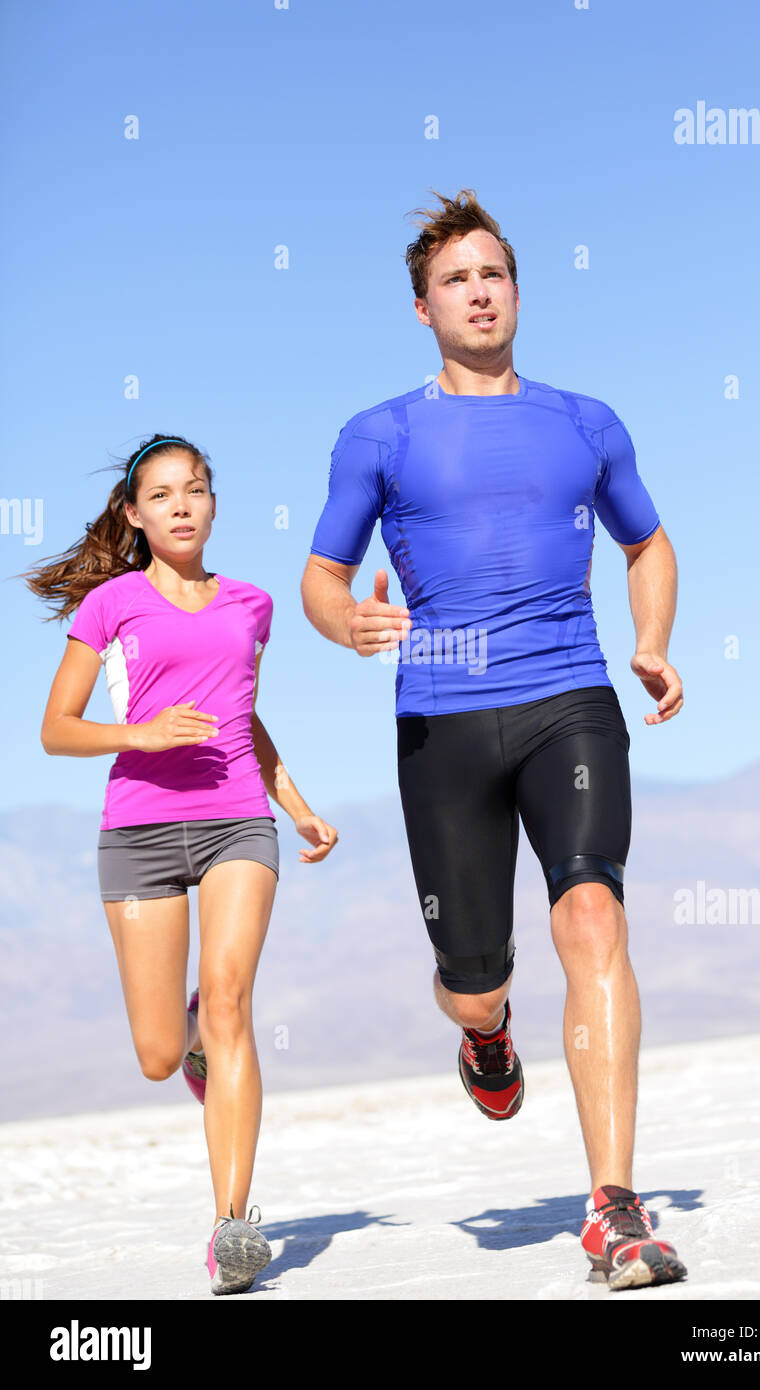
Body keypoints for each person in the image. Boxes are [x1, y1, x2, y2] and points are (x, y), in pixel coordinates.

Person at [300, 189, 686, 1291]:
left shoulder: (584, 422)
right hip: (441, 720)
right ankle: (482, 1030)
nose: (478, 291)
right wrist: (351, 622)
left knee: (591, 911)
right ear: (421, 309)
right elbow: (320, 581)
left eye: (493, 272)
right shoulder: (380, 432)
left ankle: (612, 1205)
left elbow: (647, 542)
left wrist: (649, 640)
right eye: (454, 279)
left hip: (569, 696)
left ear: (516, 290)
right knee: (473, 977)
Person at [24, 434, 337, 1295]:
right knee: (161, 1055)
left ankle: (231, 1225)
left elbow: (246, 720)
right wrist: (142, 733)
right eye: (161, 495)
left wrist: (297, 805)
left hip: (238, 820)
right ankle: (193, 1031)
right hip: (140, 831)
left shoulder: (252, 605)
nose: (181, 505)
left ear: (212, 501)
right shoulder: (112, 606)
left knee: (234, 999)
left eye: (195, 489)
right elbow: (56, 729)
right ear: (134, 514)